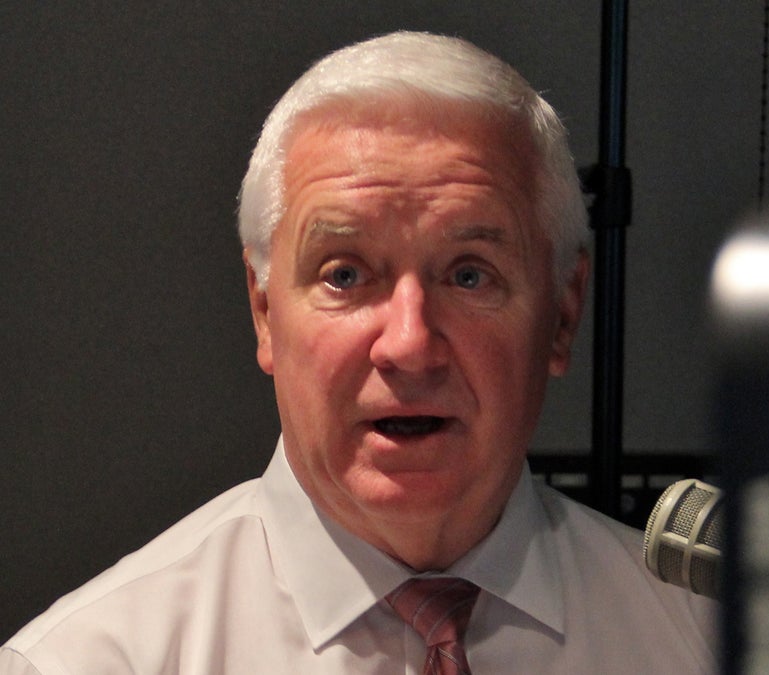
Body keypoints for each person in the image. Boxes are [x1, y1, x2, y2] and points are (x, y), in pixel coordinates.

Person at [1, 31, 716, 673]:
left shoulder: (711, 637)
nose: (409, 345)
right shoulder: (87, 660)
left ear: (563, 313)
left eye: (469, 274)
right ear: (264, 312)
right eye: (344, 274)